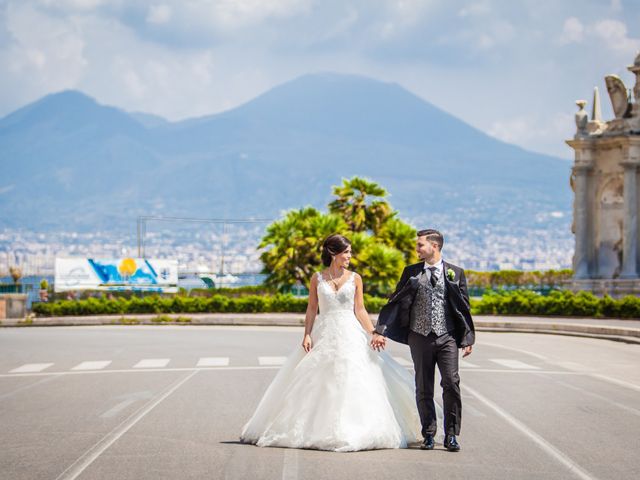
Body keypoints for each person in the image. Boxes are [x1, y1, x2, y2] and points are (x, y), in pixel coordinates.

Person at [240, 234, 424, 452]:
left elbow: (360, 309)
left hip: (350, 333)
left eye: (349, 252)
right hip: (324, 333)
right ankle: (314, 428)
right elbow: (311, 309)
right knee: (318, 381)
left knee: (352, 377)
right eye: (346, 252)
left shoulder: (355, 278)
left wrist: (374, 332)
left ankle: (353, 428)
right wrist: (307, 334)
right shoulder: (317, 278)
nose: (349, 256)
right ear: (332, 253)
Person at [373, 229, 475, 452]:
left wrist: (467, 337)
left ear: (434, 246)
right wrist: (381, 330)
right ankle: (428, 433)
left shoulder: (455, 273)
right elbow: (396, 301)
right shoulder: (411, 272)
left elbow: (463, 307)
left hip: (447, 336)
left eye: (420, 245)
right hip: (419, 336)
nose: (416, 249)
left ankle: (451, 435)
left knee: (451, 382)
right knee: (423, 387)